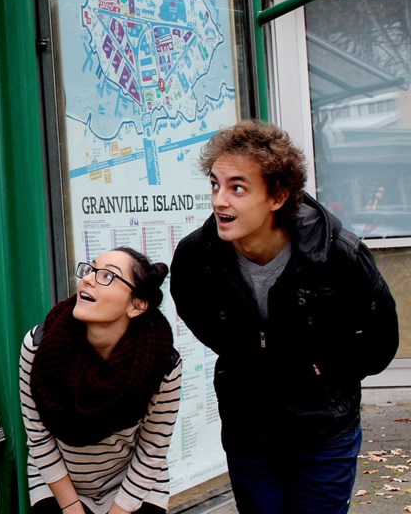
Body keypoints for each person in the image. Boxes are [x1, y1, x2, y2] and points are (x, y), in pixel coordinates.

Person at [170, 120, 399, 514]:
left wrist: (320, 372)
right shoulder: (197, 256)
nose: (219, 200)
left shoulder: (337, 253)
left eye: (237, 188)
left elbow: (379, 342)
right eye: (215, 184)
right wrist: (249, 357)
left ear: (277, 196)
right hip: (248, 430)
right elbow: (199, 316)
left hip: (325, 429)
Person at [20, 247, 181, 514]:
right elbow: (38, 436)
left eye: (107, 276)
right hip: (57, 481)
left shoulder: (162, 364)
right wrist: (71, 506)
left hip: (130, 483)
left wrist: (119, 509)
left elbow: (152, 450)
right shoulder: (39, 346)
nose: (88, 279)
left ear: (136, 305)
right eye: (91, 269)